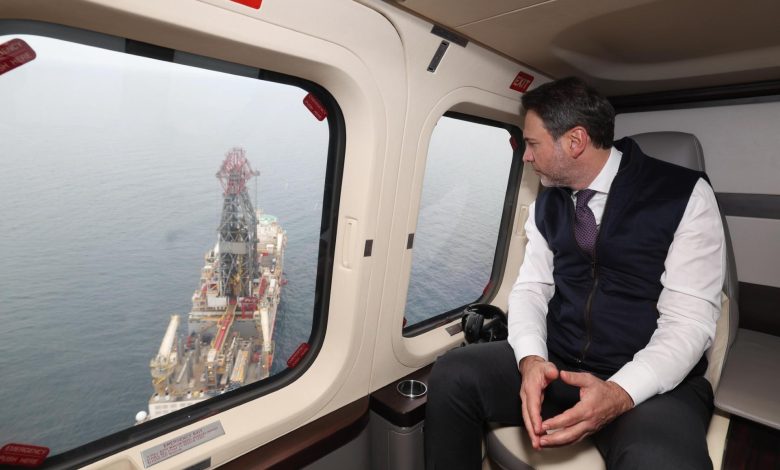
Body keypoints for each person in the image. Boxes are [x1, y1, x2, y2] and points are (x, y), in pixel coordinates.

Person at [424, 77, 725, 470]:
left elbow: (688, 323)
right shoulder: (546, 205)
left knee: (660, 462)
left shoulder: (684, 196)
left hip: (648, 382)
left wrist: (619, 391)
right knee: (453, 374)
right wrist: (531, 359)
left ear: (575, 141)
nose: (525, 157)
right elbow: (531, 289)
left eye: (532, 144)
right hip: (560, 360)